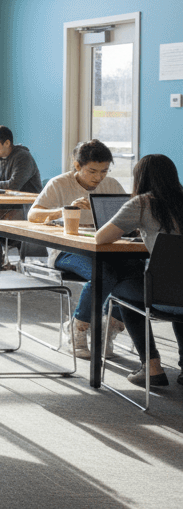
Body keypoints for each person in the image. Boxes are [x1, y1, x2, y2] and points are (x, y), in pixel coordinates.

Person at [26, 139, 129, 358]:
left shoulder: (111, 185)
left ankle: (107, 328)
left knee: (134, 275)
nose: (98, 177)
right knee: (103, 274)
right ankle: (78, 327)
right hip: (66, 250)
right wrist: (64, 210)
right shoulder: (58, 184)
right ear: (77, 165)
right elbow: (33, 215)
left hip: (106, 247)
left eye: (104, 171)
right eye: (92, 171)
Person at [98, 155, 183, 388]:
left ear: (140, 178)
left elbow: (101, 237)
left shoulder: (143, 203)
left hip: (166, 297)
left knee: (122, 292)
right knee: (176, 287)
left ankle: (152, 367)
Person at [0, 125, 43, 193]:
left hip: (26, 202)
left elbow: (13, 185)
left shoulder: (23, 157)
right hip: (5, 200)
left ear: (7, 143)